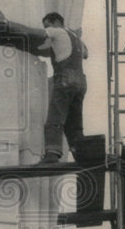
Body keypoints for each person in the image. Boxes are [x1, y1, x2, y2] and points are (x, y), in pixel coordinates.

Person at [37, 11, 88, 164]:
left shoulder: (57, 31)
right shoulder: (76, 38)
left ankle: (52, 154)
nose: (47, 30)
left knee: (55, 118)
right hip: (80, 82)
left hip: (65, 79)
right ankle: (83, 154)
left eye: (47, 25)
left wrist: (8, 25)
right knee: (74, 125)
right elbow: (85, 54)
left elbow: (32, 33)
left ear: (55, 22)